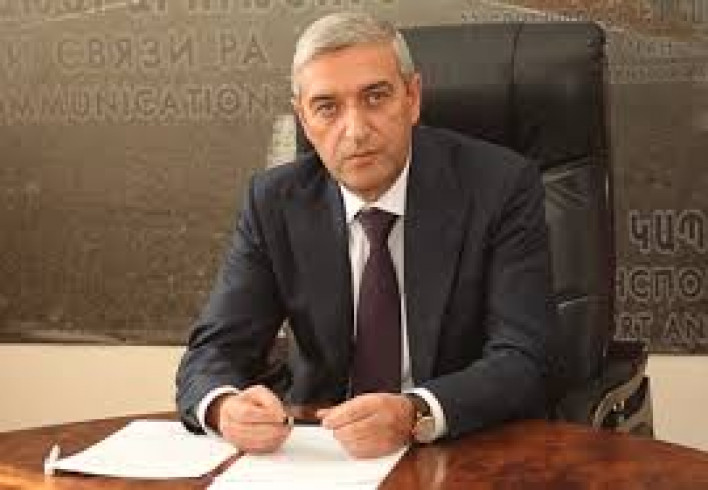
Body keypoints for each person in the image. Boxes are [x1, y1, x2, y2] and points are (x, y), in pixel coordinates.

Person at [176, 11, 557, 459]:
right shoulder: (274, 202)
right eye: (327, 107)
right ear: (303, 119)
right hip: (323, 452)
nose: (355, 131)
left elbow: (524, 359)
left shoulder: (499, 186)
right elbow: (215, 351)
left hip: (461, 449)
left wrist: (415, 412)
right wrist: (224, 408)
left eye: (375, 97)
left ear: (412, 98)